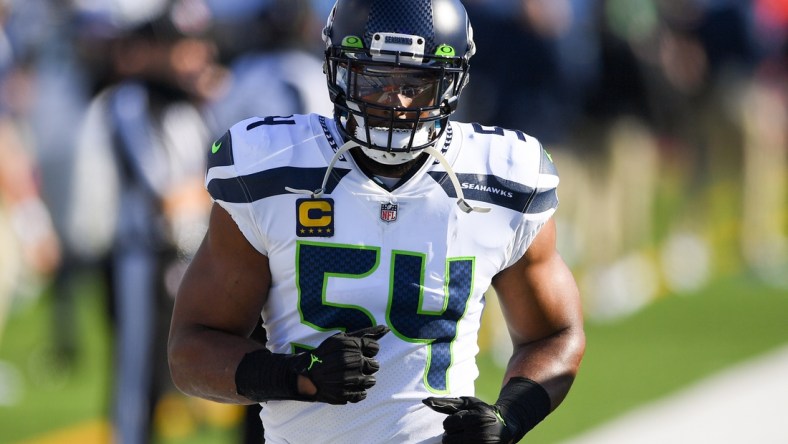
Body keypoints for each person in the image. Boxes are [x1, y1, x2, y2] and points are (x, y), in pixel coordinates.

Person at [168, 0, 586, 442]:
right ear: (335, 71)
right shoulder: (270, 167)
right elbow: (191, 348)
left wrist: (510, 416)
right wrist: (293, 374)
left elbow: (555, 333)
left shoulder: (500, 178)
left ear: (453, 81)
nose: (397, 102)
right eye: (374, 79)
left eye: (417, 82)